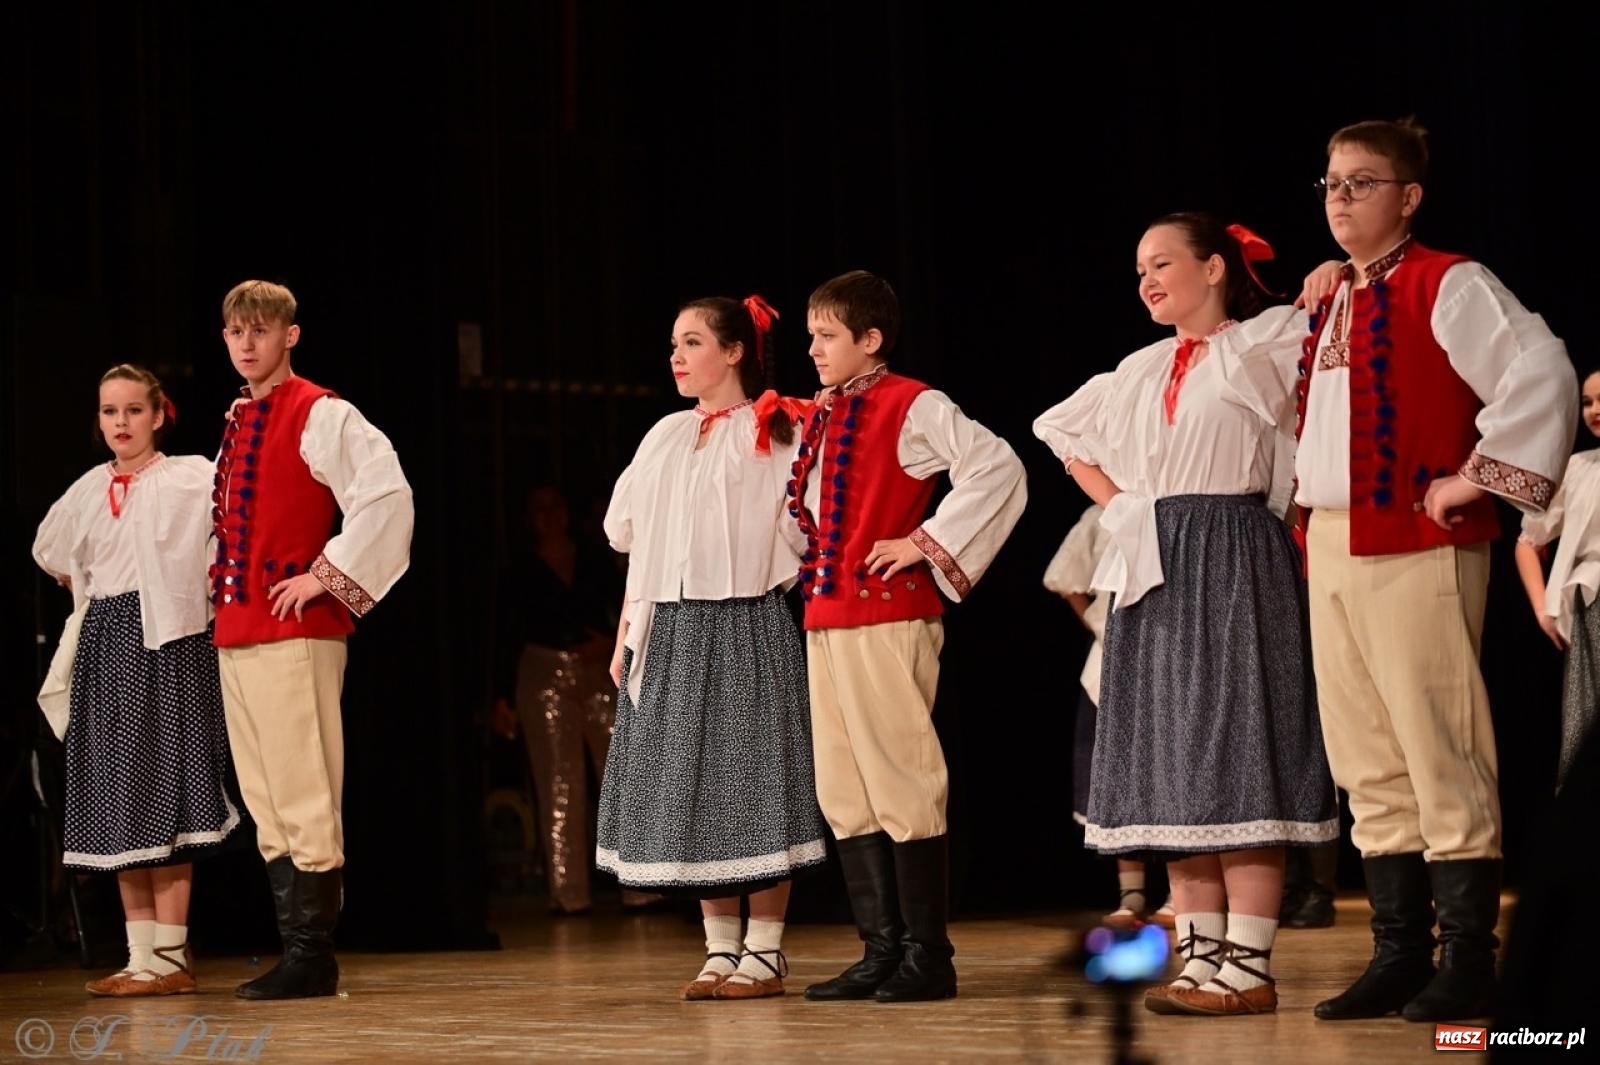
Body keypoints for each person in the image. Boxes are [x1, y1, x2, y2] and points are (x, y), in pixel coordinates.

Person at [1295, 119, 1577, 1024]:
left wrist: (1475, 478)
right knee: (1364, 753)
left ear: (1408, 198)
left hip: (1416, 537)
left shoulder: (1448, 281)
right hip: (1332, 541)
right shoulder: (1333, 297)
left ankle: (1467, 956)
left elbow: (1541, 372)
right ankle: (1397, 949)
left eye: (1363, 183)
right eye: (1332, 184)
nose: (1342, 199)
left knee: (1436, 738)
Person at [1034, 214, 1338, 1017]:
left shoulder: (1263, 340)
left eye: (1163, 263)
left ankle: (1251, 960)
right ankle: (1201, 954)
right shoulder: (1139, 366)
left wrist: (1335, 268)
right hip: (1155, 558)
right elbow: (1057, 427)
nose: (1148, 280)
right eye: (1139, 269)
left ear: (1214, 268)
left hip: (1234, 551)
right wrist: (1126, 503)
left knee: (1235, 743)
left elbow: (1332, 323)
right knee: (1175, 755)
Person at [794, 270, 1027, 1003]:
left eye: (828, 335)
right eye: (810, 335)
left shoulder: (912, 402)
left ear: (871, 339)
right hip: (828, 616)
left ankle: (930, 953)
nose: (814, 349)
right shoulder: (824, 415)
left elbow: (998, 466)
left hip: (886, 614)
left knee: (901, 776)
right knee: (845, 787)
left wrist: (924, 541)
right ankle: (880, 948)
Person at [598, 294, 826, 1000]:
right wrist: (627, 630)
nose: (677, 355)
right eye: (674, 343)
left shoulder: (775, 426)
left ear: (733, 352)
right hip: (669, 624)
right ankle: (719, 947)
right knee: (692, 783)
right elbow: (628, 535)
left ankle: (766, 948)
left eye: (693, 342)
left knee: (753, 776)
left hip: (744, 618)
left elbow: (805, 525)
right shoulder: (664, 435)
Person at [210, 280, 415, 1000]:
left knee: (304, 787)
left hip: (293, 629)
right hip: (238, 629)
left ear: (290, 334)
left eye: (260, 330)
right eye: (236, 330)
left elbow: (387, 496)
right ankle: (296, 948)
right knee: (265, 795)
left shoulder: (320, 411)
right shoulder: (239, 419)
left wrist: (323, 575)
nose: (246, 343)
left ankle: (314, 952)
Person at [33, 364, 238, 997]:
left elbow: (231, 528)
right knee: (119, 796)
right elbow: (51, 551)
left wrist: (205, 576)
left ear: (158, 415)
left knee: (163, 794)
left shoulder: (189, 476)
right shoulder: (89, 488)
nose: (120, 422)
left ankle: (172, 959)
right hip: (106, 644)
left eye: (132, 411)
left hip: (167, 645)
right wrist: (85, 584)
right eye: (109, 412)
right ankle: (140, 957)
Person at [491, 484, 628, 914]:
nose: (549, 515)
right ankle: (569, 894)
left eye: (556, 505)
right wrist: (499, 697)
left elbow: (623, 607)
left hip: (597, 667)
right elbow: (504, 634)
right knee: (560, 783)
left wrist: (608, 644)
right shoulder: (518, 569)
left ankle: (642, 885)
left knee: (620, 774)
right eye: (539, 507)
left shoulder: (593, 559)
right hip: (543, 670)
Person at [1043, 504, 1175, 930]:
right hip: (1113, 658)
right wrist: (1097, 624)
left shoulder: (1175, 511)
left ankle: (1180, 892)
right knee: (1121, 773)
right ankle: (1132, 895)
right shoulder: (1101, 515)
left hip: (1169, 652)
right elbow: (1064, 577)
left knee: (1173, 774)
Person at [1515, 366, 1600, 793]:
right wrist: (1543, 609)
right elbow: (1529, 540)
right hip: (1593, 610)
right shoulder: (1581, 468)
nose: (1594, 410)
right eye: (1587, 402)